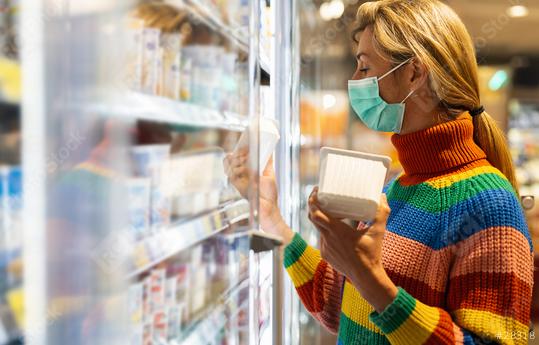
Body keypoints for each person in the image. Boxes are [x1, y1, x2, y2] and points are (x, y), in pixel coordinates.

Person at [226, 0, 535, 343]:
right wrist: (272, 219)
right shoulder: (396, 187)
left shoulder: (491, 205)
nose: (354, 80)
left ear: (415, 74)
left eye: (364, 67)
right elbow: (342, 309)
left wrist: (370, 279)